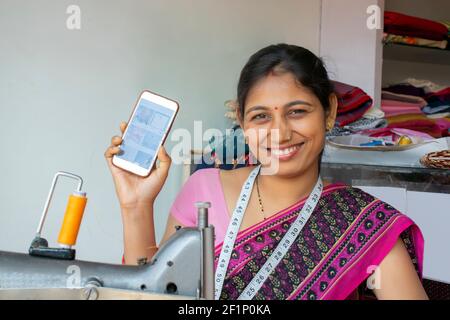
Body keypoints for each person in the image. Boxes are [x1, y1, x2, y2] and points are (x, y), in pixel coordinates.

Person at [104, 44, 428, 300]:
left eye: (297, 111)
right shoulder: (203, 189)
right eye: (261, 117)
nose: (281, 133)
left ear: (329, 112)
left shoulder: (360, 223)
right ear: (243, 124)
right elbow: (147, 296)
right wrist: (136, 207)